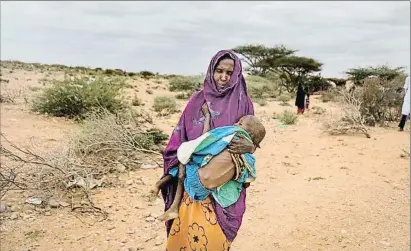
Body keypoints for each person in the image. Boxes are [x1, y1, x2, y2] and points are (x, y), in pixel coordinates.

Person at [160, 50, 256, 250]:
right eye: (219, 71)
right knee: (188, 239)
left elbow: (252, 139)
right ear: (211, 71)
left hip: (225, 184)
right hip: (193, 186)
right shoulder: (197, 101)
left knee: (215, 241)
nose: (223, 77)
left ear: (236, 74)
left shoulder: (243, 102)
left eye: (229, 73)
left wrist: (250, 146)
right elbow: (178, 140)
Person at [151, 111, 266, 221]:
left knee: (185, 160)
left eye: (239, 124)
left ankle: (170, 200)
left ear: (249, 134)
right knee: (186, 166)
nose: (235, 124)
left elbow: (207, 138)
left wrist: (207, 118)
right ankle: (167, 196)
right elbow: (247, 181)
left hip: (195, 179)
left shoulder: (231, 134)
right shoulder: (249, 158)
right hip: (205, 192)